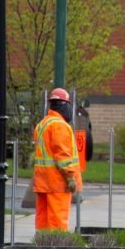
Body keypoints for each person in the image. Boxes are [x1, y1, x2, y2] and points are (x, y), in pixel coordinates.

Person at [33, 88, 79, 232]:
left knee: (43, 219)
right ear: (65, 105)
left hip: (43, 181)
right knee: (58, 221)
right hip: (58, 183)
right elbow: (62, 155)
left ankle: (41, 246)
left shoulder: (42, 124)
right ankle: (55, 248)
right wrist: (70, 177)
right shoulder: (60, 125)